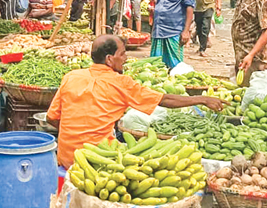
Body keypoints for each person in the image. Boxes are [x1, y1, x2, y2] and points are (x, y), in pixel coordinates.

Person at [47, 35, 226, 169]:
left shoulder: (71, 77)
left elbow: (51, 118)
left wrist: (75, 133)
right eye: (122, 54)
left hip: (66, 157)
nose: (126, 58)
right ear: (109, 59)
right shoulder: (121, 83)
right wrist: (202, 99)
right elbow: (164, 100)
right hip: (98, 159)